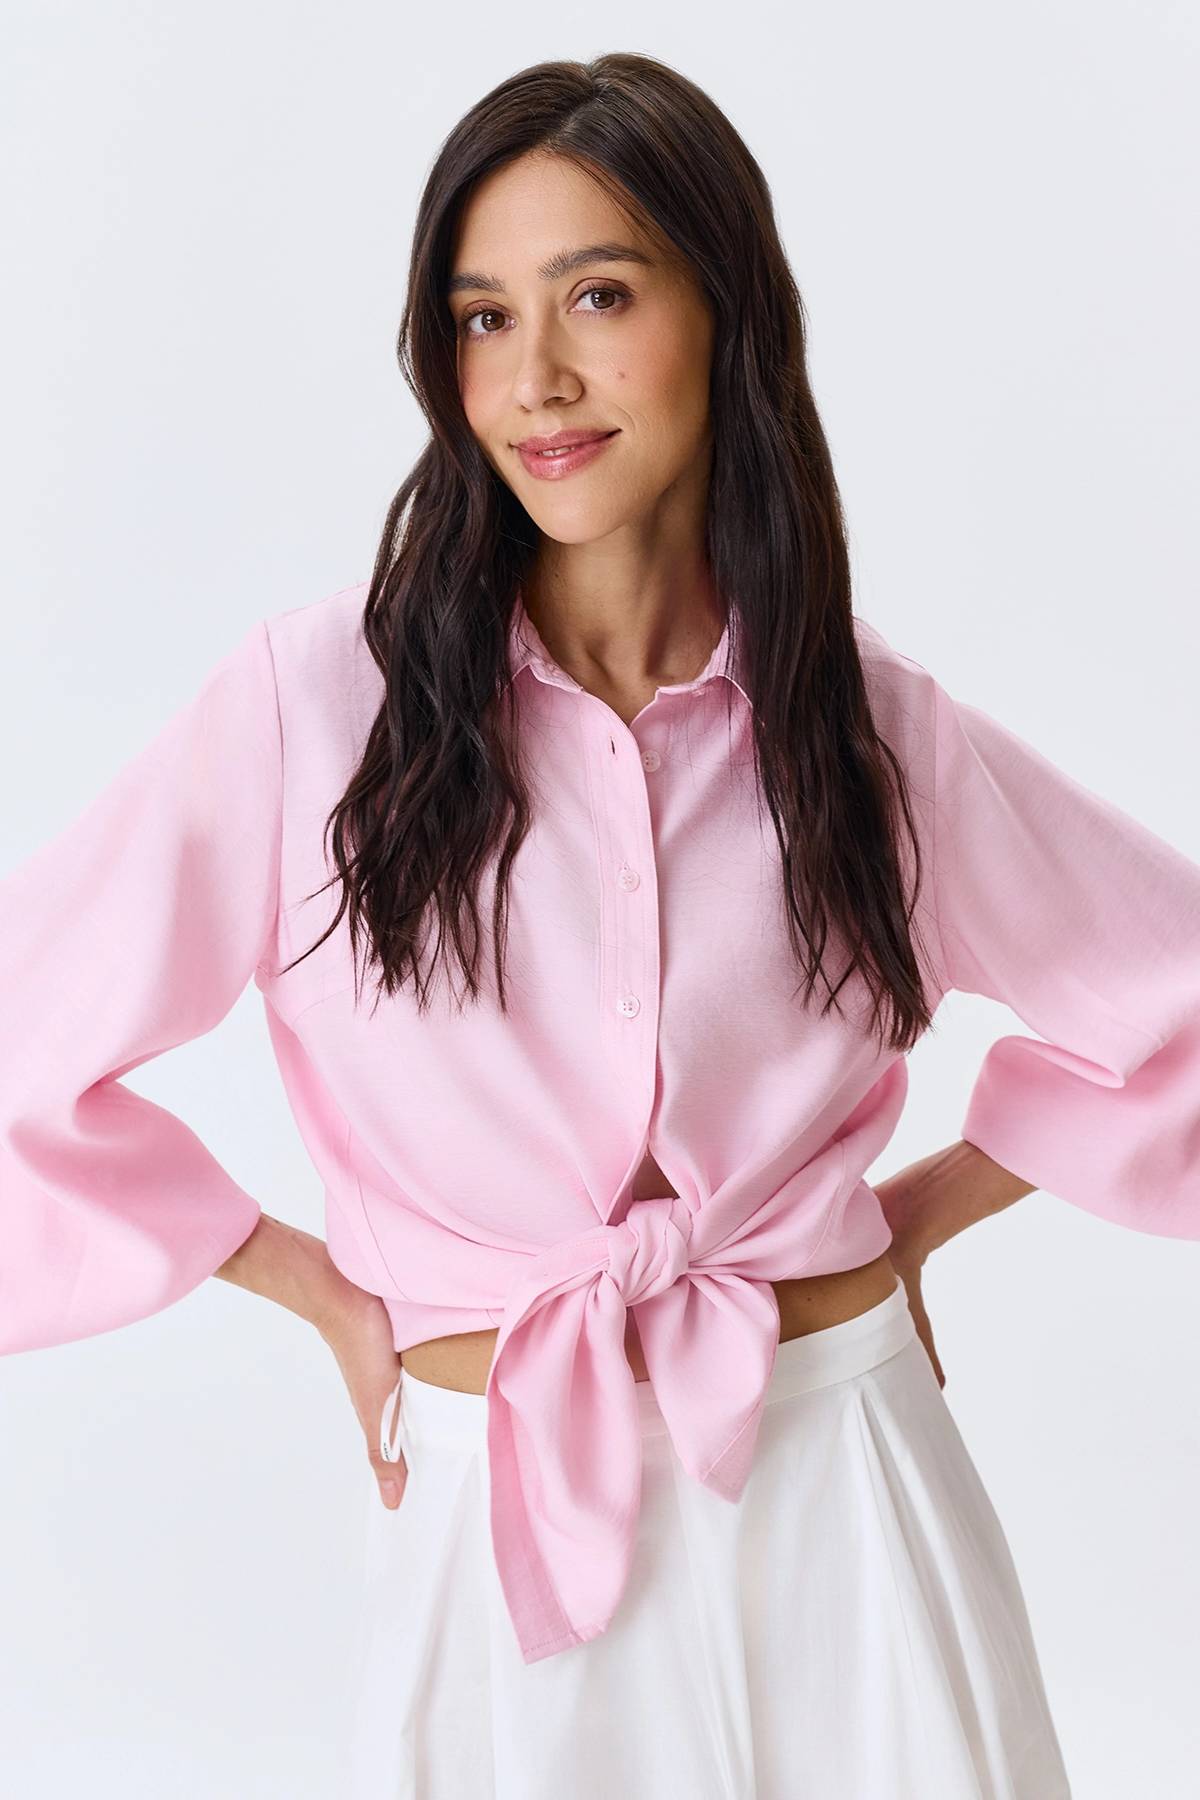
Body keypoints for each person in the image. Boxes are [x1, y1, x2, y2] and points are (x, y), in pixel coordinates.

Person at [3, 51, 1197, 1799]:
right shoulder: (310, 713)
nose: (536, 379)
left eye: (601, 296)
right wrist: (310, 1286)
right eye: (484, 319)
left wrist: (923, 1214)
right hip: (496, 1540)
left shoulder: (867, 730)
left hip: (848, 1492)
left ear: (728, 311)